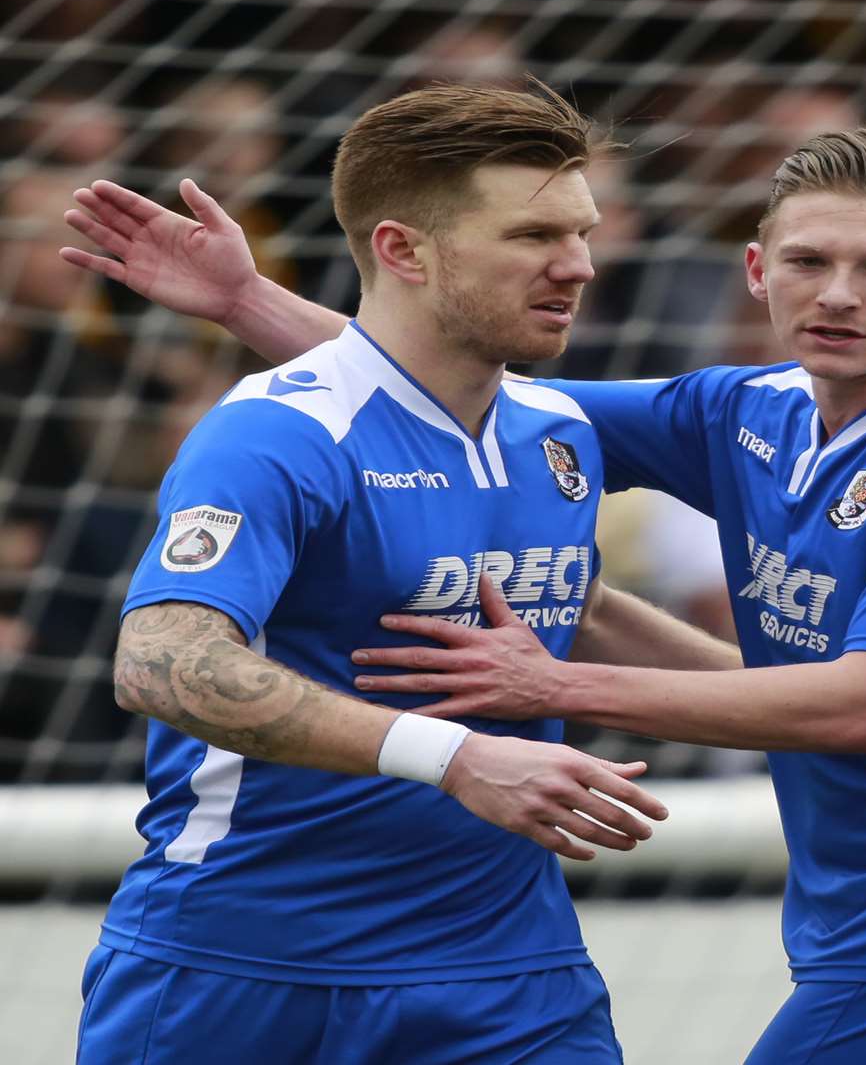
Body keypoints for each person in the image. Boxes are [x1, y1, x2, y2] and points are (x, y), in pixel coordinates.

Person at [65, 128, 866, 1063]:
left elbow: (865, 709)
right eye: (810, 260)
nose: (837, 294)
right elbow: (458, 390)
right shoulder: (749, 412)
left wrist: (554, 678)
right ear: (755, 269)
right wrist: (250, 301)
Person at [59, 83, 755, 1063]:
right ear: (402, 250)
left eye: (584, 232)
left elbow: (572, 604)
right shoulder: (275, 433)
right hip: (247, 973)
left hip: (513, 980)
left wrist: (784, 706)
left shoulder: (558, 432)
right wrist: (456, 757)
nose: (581, 265)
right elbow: (160, 661)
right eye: (533, 236)